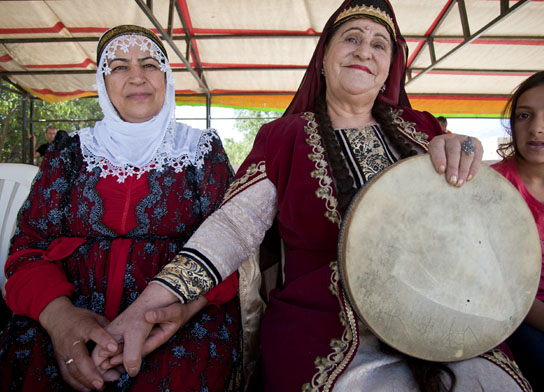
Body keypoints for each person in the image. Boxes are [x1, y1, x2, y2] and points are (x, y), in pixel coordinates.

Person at [95, 2, 530, 391]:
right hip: (325, 326)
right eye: (352, 38)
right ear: (323, 57)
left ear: (390, 68)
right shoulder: (284, 137)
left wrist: (467, 158)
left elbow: (474, 232)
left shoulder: (425, 130)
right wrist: (149, 305)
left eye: (380, 45)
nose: (365, 51)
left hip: (444, 316)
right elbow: (232, 227)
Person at [0, 25, 242, 392]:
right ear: (102, 80)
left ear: (166, 76)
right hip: (68, 312)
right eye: (118, 67)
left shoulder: (200, 152)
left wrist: (181, 311)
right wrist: (61, 320)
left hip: (177, 316)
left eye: (149, 64)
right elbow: (26, 250)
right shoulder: (69, 154)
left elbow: (231, 247)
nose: (137, 77)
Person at [492, 71, 544, 391]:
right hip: (516, 319)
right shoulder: (491, 187)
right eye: (525, 115)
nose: (537, 127)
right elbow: (504, 290)